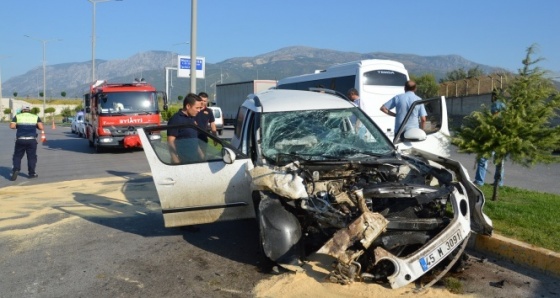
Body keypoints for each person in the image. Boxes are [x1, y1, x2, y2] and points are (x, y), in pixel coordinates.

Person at [474, 90, 506, 186]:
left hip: (493, 135)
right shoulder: (504, 105)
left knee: (483, 158)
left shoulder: (496, 104)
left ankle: (479, 181)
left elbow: (494, 118)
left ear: (494, 96)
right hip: (502, 135)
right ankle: (498, 182)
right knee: (499, 160)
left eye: (492, 95)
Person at [166, 93, 204, 164]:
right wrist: (176, 161)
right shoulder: (176, 119)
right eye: (197, 108)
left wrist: (201, 155)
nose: (199, 110)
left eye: (200, 108)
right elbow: (170, 142)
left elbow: (193, 139)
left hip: (194, 160)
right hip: (183, 162)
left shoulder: (192, 118)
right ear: (188, 106)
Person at [10, 106, 44, 181]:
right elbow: (41, 127)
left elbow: (12, 126)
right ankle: (32, 173)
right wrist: (35, 126)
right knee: (31, 157)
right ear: (29, 110)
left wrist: (18, 126)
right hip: (31, 140)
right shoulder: (35, 117)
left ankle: (16, 169)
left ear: (22, 110)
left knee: (17, 156)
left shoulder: (17, 116)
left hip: (20, 139)